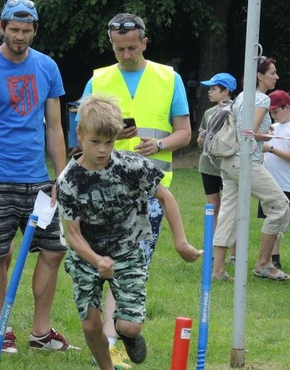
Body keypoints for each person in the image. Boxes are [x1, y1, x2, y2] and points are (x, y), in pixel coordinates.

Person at [57, 93, 202, 369]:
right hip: (87, 257)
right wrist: (97, 261)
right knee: (90, 325)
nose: (102, 149)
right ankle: (106, 367)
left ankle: (126, 334)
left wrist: (181, 242)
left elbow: (166, 197)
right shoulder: (68, 180)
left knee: (131, 326)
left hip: (127, 252)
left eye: (109, 142)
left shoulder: (131, 166)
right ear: (79, 134)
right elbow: (73, 235)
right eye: (95, 142)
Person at [80, 12, 191, 366]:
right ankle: (121, 331)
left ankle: (119, 333)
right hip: (102, 189)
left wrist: (158, 146)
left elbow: (184, 132)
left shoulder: (168, 78)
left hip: (150, 192)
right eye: (118, 48)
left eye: (131, 47)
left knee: (132, 263)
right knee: (107, 263)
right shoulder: (98, 79)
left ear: (144, 42)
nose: (125, 55)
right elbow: (80, 132)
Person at [0, 0, 76, 354]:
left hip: (38, 181)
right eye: (14, 30)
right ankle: (1, 329)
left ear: (35, 31)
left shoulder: (47, 67)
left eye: (27, 31)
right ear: (2, 28)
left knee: (54, 250)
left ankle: (41, 331)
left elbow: (55, 128)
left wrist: (60, 179)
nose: (20, 37)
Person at [212, 56, 290, 282]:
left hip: (228, 162)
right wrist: (269, 135)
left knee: (228, 214)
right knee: (280, 206)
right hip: (245, 162)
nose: (276, 77)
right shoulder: (261, 99)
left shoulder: (240, 97)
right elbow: (249, 132)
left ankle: (218, 271)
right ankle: (264, 264)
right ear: (259, 75)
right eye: (273, 73)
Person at [261, 90, 290, 270]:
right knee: (273, 220)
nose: (273, 116)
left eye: (275, 112)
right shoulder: (275, 126)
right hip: (269, 181)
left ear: (287, 107)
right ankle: (274, 259)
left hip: (287, 183)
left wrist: (270, 148)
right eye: (270, 113)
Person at [197, 73, 237, 267]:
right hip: (208, 166)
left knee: (233, 209)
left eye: (213, 88)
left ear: (226, 91)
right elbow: (200, 139)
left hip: (229, 167)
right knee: (214, 208)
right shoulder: (208, 113)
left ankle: (234, 253)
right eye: (209, 88)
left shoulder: (237, 111)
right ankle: (214, 252)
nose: (209, 92)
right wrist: (201, 140)